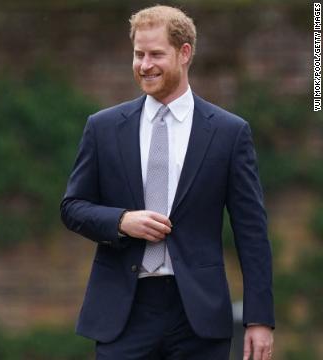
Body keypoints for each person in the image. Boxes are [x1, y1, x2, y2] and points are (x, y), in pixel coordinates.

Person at [61, 5, 274, 360]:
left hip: (198, 316)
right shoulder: (102, 127)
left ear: (184, 53)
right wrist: (120, 221)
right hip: (124, 313)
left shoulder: (228, 133)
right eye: (138, 54)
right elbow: (72, 208)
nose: (145, 65)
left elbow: (251, 232)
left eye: (156, 54)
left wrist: (260, 320)